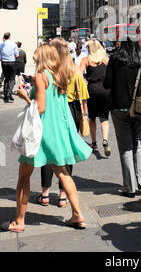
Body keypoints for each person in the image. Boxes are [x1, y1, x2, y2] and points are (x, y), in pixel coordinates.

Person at [1, 44, 92, 233]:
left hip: (40, 133)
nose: (34, 62)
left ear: (43, 59)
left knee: (23, 177)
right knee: (63, 173)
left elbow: (40, 108)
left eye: (36, 59)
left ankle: (19, 222)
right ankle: (77, 214)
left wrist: (25, 96)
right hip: (56, 132)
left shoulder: (42, 76)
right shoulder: (59, 75)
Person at [35, 38, 90, 208]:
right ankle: (62, 196)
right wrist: (85, 115)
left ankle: (44, 194)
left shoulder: (50, 71)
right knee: (68, 151)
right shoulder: (73, 68)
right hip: (71, 112)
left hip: (53, 111)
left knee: (47, 150)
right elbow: (83, 94)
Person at [103, 38, 141, 198]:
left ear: (122, 44)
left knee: (125, 146)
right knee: (138, 142)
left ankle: (130, 187)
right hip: (139, 108)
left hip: (118, 108)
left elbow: (107, 84)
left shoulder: (114, 59)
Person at [80, 40, 112, 157]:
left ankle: (94, 143)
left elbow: (79, 74)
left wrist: (86, 76)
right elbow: (113, 74)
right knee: (104, 118)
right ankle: (105, 140)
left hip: (92, 91)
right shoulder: (106, 59)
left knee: (92, 118)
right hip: (106, 91)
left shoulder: (86, 60)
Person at [0, 32, 19, 103]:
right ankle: (9, 93)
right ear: (10, 37)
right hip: (12, 62)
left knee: (6, 78)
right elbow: (17, 55)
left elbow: (0, 57)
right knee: (12, 79)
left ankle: (5, 96)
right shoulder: (14, 44)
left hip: (4, 63)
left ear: (4, 37)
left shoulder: (1, 45)